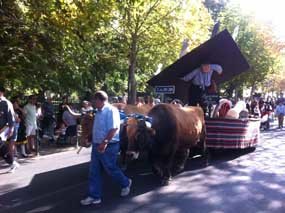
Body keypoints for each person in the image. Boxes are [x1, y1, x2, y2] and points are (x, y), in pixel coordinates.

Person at [80, 91, 131, 206]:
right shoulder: (97, 112)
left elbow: (113, 129)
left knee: (110, 169)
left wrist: (105, 142)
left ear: (100, 100)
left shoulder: (111, 111)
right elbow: (98, 128)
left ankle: (126, 183)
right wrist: (90, 137)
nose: (93, 103)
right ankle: (94, 196)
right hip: (96, 144)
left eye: (94, 100)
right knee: (94, 171)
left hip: (109, 146)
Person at [0, 85, 20, 173]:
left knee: (3, 144)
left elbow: (11, 118)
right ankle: (12, 162)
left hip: (7, 127)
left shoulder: (6, 103)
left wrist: (11, 129)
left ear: (1, 92)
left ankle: (12, 162)